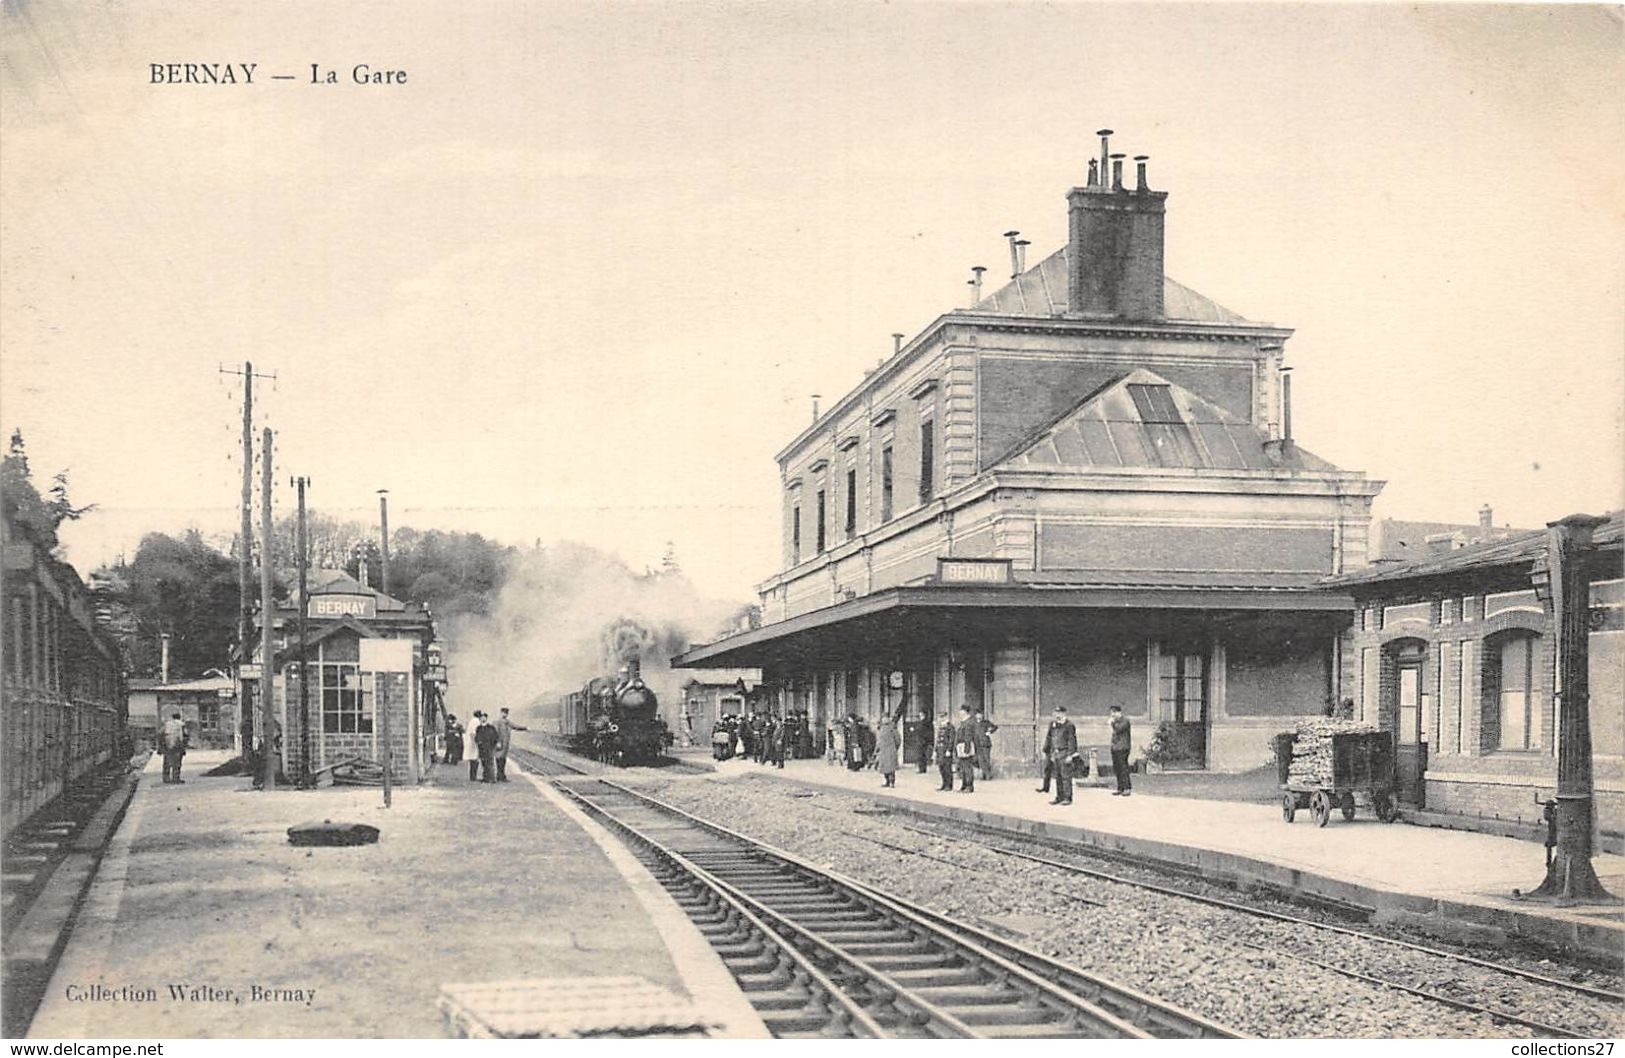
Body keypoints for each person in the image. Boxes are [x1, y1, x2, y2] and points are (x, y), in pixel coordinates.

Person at [1044, 706, 1079, 805]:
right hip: (1056, 753)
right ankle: (1059, 796)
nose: (1056, 715)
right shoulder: (1053, 724)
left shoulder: (1069, 725)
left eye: (1059, 713)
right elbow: (1051, 738)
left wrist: (1070, 755)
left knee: (1066, 776)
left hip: (1065, 752)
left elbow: (1072, 741)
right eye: (1055, 713)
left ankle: (1068, 797)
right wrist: (1050, 752)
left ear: (1064, 713)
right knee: (1058, 776)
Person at [494, 707, 527, 781]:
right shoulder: (497, 722)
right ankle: (499, 776)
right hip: (500, 744)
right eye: (503, 712)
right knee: (499, 759)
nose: (505, 714)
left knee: (503, 759)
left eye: (506, 713)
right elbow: (496, 733)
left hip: (505, 744)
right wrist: (498, 742)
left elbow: (516, 726)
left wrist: (524, 728)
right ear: (501, 713)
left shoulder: (508, 722)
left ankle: (501, 776)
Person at [1109, 704, 1133, 796]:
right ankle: (1120, 788)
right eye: (1111, 713)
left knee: (1123, 768)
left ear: (1119, 712)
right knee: (1117, 768)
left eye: (1114, 713)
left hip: (1123, 748)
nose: (1112, 715)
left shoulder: (1125, 721)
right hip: (1115, 748)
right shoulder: (1116, 721)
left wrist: (1112, 723)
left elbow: (1119, 729)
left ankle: (1127, 788)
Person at [953, 707, 977, 793]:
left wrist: (967, 749)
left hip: (966, 746)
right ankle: (964, 786)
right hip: (961, 746)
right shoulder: (963, 723)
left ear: (966, 713)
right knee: (963, 767)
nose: (960, 715)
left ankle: (969, 786)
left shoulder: (969, 723)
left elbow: (968, 736)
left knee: (967, 768)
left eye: (962, 713)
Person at [159, 711, 187, 784]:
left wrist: (161, 745)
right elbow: (185, 735)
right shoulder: (181, 724)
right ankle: (176, 778)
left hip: (167, 744)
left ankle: (166, 778)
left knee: (167, 762)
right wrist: (184, 747)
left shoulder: (167, 724)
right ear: (179, 717)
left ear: (172, 717)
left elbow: (160, 733)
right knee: (177, 762)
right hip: (177, 745)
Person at [875, 713, 900, 787]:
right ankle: (890, 781)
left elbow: (897, 739)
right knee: (889, 767)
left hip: (886, 749)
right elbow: (898, 739)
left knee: (887, 767)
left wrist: (878, 748)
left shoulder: (887, 728)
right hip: (888, 749)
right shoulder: (890, 727)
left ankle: (889, 781)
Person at [934, 710, 956, 791]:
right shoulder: (941, 727)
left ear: (946, 717)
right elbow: (938, 739)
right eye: (940, 717)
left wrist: (949, 750)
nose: (941, 718)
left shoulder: (950, 726)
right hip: (940, 751)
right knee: (941, 768)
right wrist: (935, 750)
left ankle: (949, 785)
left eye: (942, 717)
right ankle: (944, 784)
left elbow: (951, 739)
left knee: (947, 768)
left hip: (946, 751)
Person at [474, 713, 500, 783]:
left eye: (484, 717)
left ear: (486, 718)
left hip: (490, 747)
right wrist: (478, 742)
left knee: (490, 762)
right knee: (484, 763)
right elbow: (476, 737)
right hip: (482, 748)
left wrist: (495, 743)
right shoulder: (478, 728)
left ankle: (492, 778)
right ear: (480, 719)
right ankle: (485, 778)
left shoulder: (491, 727)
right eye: (482, 718)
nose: (483, 719)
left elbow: (496, 736)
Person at [974, 710, 998, 780]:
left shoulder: (986, 722)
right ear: (975, 716)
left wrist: (989, 732)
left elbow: (995, 727)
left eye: (980, 715)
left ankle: (988, 775)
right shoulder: (974, 723)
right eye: (978, 715)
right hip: (977, 744)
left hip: (985, 744)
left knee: (986, 759)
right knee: (980, 760)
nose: (979, 716)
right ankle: (984, 775)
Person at [466, 712, 485, 781]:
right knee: (474, 759)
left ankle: (473, 776)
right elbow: (474, 733)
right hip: (473, 743)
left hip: (471, 742)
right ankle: (473, 777)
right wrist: (478, 742)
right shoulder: (476, 721)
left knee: (473, 759)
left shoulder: (472, 721)